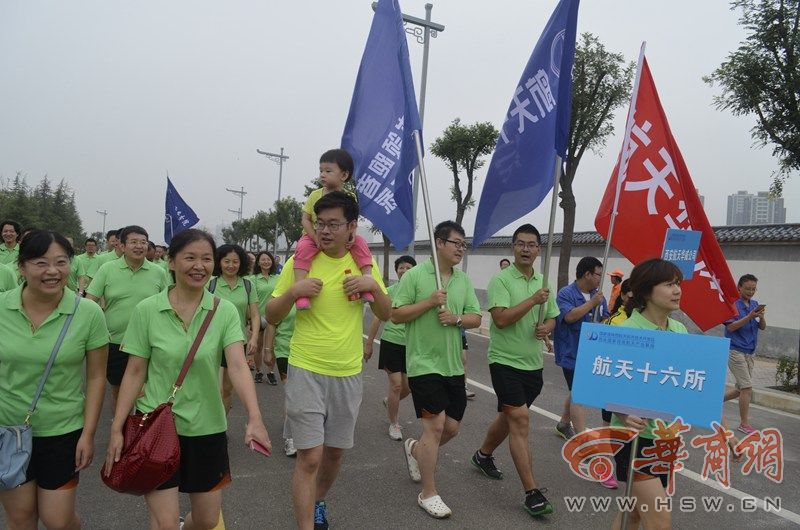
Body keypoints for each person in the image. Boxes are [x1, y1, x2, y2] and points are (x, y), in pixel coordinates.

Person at [104, 228, 270, 530]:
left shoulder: (225, 311)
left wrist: (255, 417)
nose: (199, 265)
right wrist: (117, 427)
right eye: (190, 257)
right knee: (164, 522)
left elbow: (236, 365)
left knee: (206, 521)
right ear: (170, 261)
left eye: (207, 258)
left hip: (207, 426)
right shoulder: (147, 310)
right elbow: (135, 371)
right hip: (156, 425)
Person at [267, 191, 390, 530]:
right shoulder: (299, 263)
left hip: (347, 372)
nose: (324, 231)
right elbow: (271, 314)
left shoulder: (364, 263)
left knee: (334, 453)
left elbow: (387, 312)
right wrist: (294, 292)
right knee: (310, 457)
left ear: (352, 226)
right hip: (306, 368)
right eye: (320, 223)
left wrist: (373, 287)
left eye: (333, 224)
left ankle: (318, 500)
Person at [0, 230, 108, 530]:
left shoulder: (87, 313)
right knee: (20, 518)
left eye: (61, 262)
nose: (52, 271)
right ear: (21, 267)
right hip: (7, 430)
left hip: (63, 430)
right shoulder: (1, 307)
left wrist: (89, 433)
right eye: (40, 263)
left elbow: (97, 376)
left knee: (57, 520)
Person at [392, 220, 482, 519]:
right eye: (456, 243)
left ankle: (417, 450)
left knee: (452, 428)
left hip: (453, 365)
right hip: (423, 364)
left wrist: (456, 319)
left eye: (463, 244)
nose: (460, 249)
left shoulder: (463, 280)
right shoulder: (415, 276)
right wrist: (428, 302)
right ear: (439, 243)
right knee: (436, 425)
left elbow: (475, 317)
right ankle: (428, 493)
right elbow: (396, 314)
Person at [470, 224, 558, 517]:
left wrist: (547, 328)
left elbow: (553, 317)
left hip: (533, 365)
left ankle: (483, 456)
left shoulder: (544, 282)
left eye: (531, 244)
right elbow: (502, 319)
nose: (526, 249)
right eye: (520, 243)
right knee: (520, 419)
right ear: (513, 247)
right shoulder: (501, 280)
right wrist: (533, 300)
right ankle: (532, 492)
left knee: (508, 419)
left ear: (538, 250)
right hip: (504, 362)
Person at [610, 258, 685, 530]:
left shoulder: (681, 331)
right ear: (645, 292)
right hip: (632, 439)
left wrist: (726, 433)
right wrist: (622, 411)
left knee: (633, 513)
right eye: (668, 284)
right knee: (659, 520)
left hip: (664, 438)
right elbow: (599, 388)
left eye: (678, 283)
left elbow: (693, 389)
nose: (677, 290)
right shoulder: (622, 333)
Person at [86, 225, 169, 409]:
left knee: (145, 390)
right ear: (122, 246)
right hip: (116, 341)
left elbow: (169, 303)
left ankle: (141, 432)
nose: (139, 246)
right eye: (133, 242)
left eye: (143, 242)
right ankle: (120, 428)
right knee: (118, 389)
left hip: (150, 341)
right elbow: (90, 302)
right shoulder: (108, 269)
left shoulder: (158, 272)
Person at [293, 149, 374, 310]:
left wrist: (352, 234)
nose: (322, 174)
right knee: (302, 248)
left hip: (341, 237)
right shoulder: (315, 195)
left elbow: (353, 220)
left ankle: (368, 281)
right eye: (321, 170)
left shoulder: (350, 197)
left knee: (361, 244)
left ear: (344, 175)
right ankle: (300, 290)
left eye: (328, 171)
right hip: (312, 236)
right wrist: (315, 238)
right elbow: (305, 219)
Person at [554, 256, 608, 439]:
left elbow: (605, 319)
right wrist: (591, 304)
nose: (600, 279)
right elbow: (569, 317)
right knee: (580, 393)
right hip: (571, 353)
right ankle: (582, 439)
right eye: (598, 275)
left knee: (577, 390)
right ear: (587, 274)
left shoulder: (598, 296)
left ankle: (563, 423)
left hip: (592, 353)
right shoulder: (566, 293)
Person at [364, 254, 417, 441]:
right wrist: (369, 343)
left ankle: (389, 402)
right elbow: (378, 318)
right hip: (391, 342)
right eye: (401, 267)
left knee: (409, 387)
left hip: (411, 345)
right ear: (397, 271)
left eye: (409, 267)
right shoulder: (389, 292)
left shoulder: (419, 294)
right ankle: (394, 423)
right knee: (396, 385)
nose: (404, 270)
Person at [208, 244, 259, 413]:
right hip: (210, 341)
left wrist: (254, 338)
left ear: (241, 263)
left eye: (235, 261)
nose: (231, 265)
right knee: (211, 387)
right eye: (226, 261)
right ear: (219, 262)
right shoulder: (210, 284)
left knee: (227, 389)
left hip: (237, 341)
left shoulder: (247, 285)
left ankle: (221, 427)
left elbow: (255, 315)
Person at [723, 274, 767, 434]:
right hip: (735, 349)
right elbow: (730, 327)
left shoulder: (755, 304)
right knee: (747, 387)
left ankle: (713, 401)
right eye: (747, 288)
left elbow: (762, 327)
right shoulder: (732, 305)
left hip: (750, 351)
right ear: (739, 287)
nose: (750, 292)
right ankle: (744, 423)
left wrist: (761, 317)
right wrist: (749, 316)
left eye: (753, 289)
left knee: (740, 388)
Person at [264, 304, 297, 456]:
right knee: (293, 393)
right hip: (285, 350)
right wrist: (268, 350)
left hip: (310, 353)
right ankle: (290, 439)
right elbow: (271, 324)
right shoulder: (286, 296)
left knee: (304, 396)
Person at [251, 250, 280, 384]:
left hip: (273, 317)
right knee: (258, 345)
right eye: (263, 259)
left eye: (268, 259)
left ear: (272, 261)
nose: (266, 262)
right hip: (258, 317)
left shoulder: (278, 278)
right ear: (258, 262)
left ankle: (270, 371)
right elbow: (251, 300)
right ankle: (258, 371)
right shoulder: (253, 279)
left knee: (271, 346)